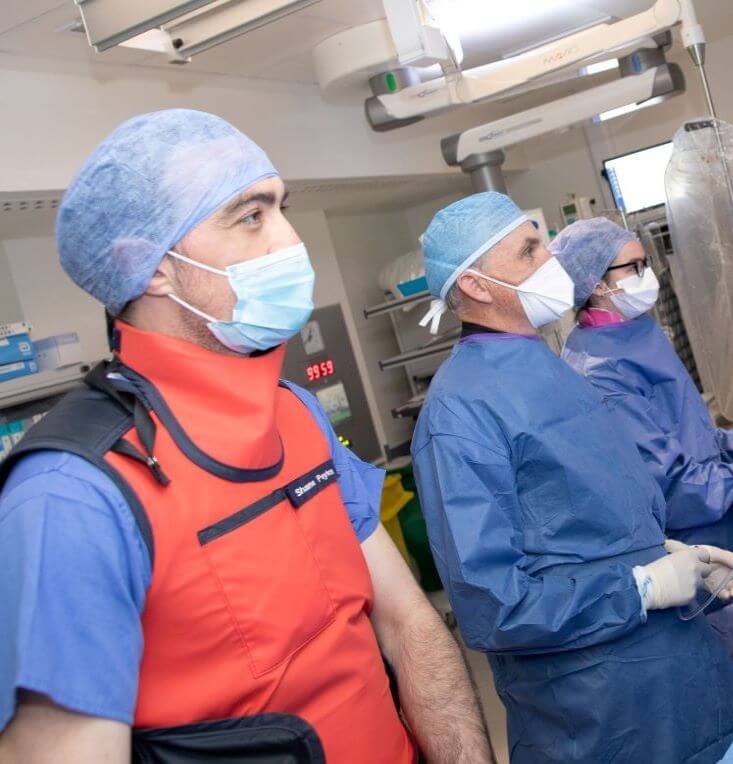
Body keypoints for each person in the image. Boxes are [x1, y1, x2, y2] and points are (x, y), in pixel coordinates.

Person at [0, 110, 492, 763]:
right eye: (251, 216)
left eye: (282, 208)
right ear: (152, 268)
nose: (290, 241)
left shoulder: (292, 412)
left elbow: (407, 623)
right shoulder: (70, 496)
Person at [411, 191, 733, 763]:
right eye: (529, 250)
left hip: (678, 676)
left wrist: (672, 553)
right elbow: (494, 605)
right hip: (598, 710)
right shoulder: (459, 413)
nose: (550, 259)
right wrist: (639, 588)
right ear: (475, 285)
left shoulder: (547, 365)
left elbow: (593, 509)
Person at [551, 217, 733, 552]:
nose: (647, 276)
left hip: (718, 505)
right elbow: (668, 484)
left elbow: (687, 433)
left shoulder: (635, 331)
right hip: (693, 541)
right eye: (633, 267)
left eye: (646, 264)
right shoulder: (599, 372)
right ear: (596, 284)